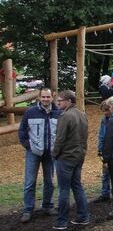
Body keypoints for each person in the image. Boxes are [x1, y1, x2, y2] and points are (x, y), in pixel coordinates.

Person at [17, 87, 61, 223]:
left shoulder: (58, 113)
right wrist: (28, 145)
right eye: (43, 97)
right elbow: (22, 130)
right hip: (33, 152)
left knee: (49, 182)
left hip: (50, 153)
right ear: (39, 98)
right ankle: (27, 210)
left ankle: (47, 206)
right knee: (30, 182)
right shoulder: (30, 112)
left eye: (48, 97)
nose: (46, 99)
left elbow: (61, 132)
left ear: (52, 97)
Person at [52, 90, 89, 229]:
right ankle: (83, 217)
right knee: (77, 186)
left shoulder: (65, 116)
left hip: (66, 157)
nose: (58, 102)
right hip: (78, 157)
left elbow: (60, 139)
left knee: (64, 190)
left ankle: (62, 222)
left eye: (60, 100)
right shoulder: (82, 114)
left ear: (69, 101)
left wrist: (55, 154)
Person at [94, 100, 112, 203]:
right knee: (105, 173)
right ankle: (105, 193)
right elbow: (101, 134)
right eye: (103, 111)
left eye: (106, 110)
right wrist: (100, 149)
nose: (105, 113)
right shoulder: (104, 120)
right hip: (105, 149)